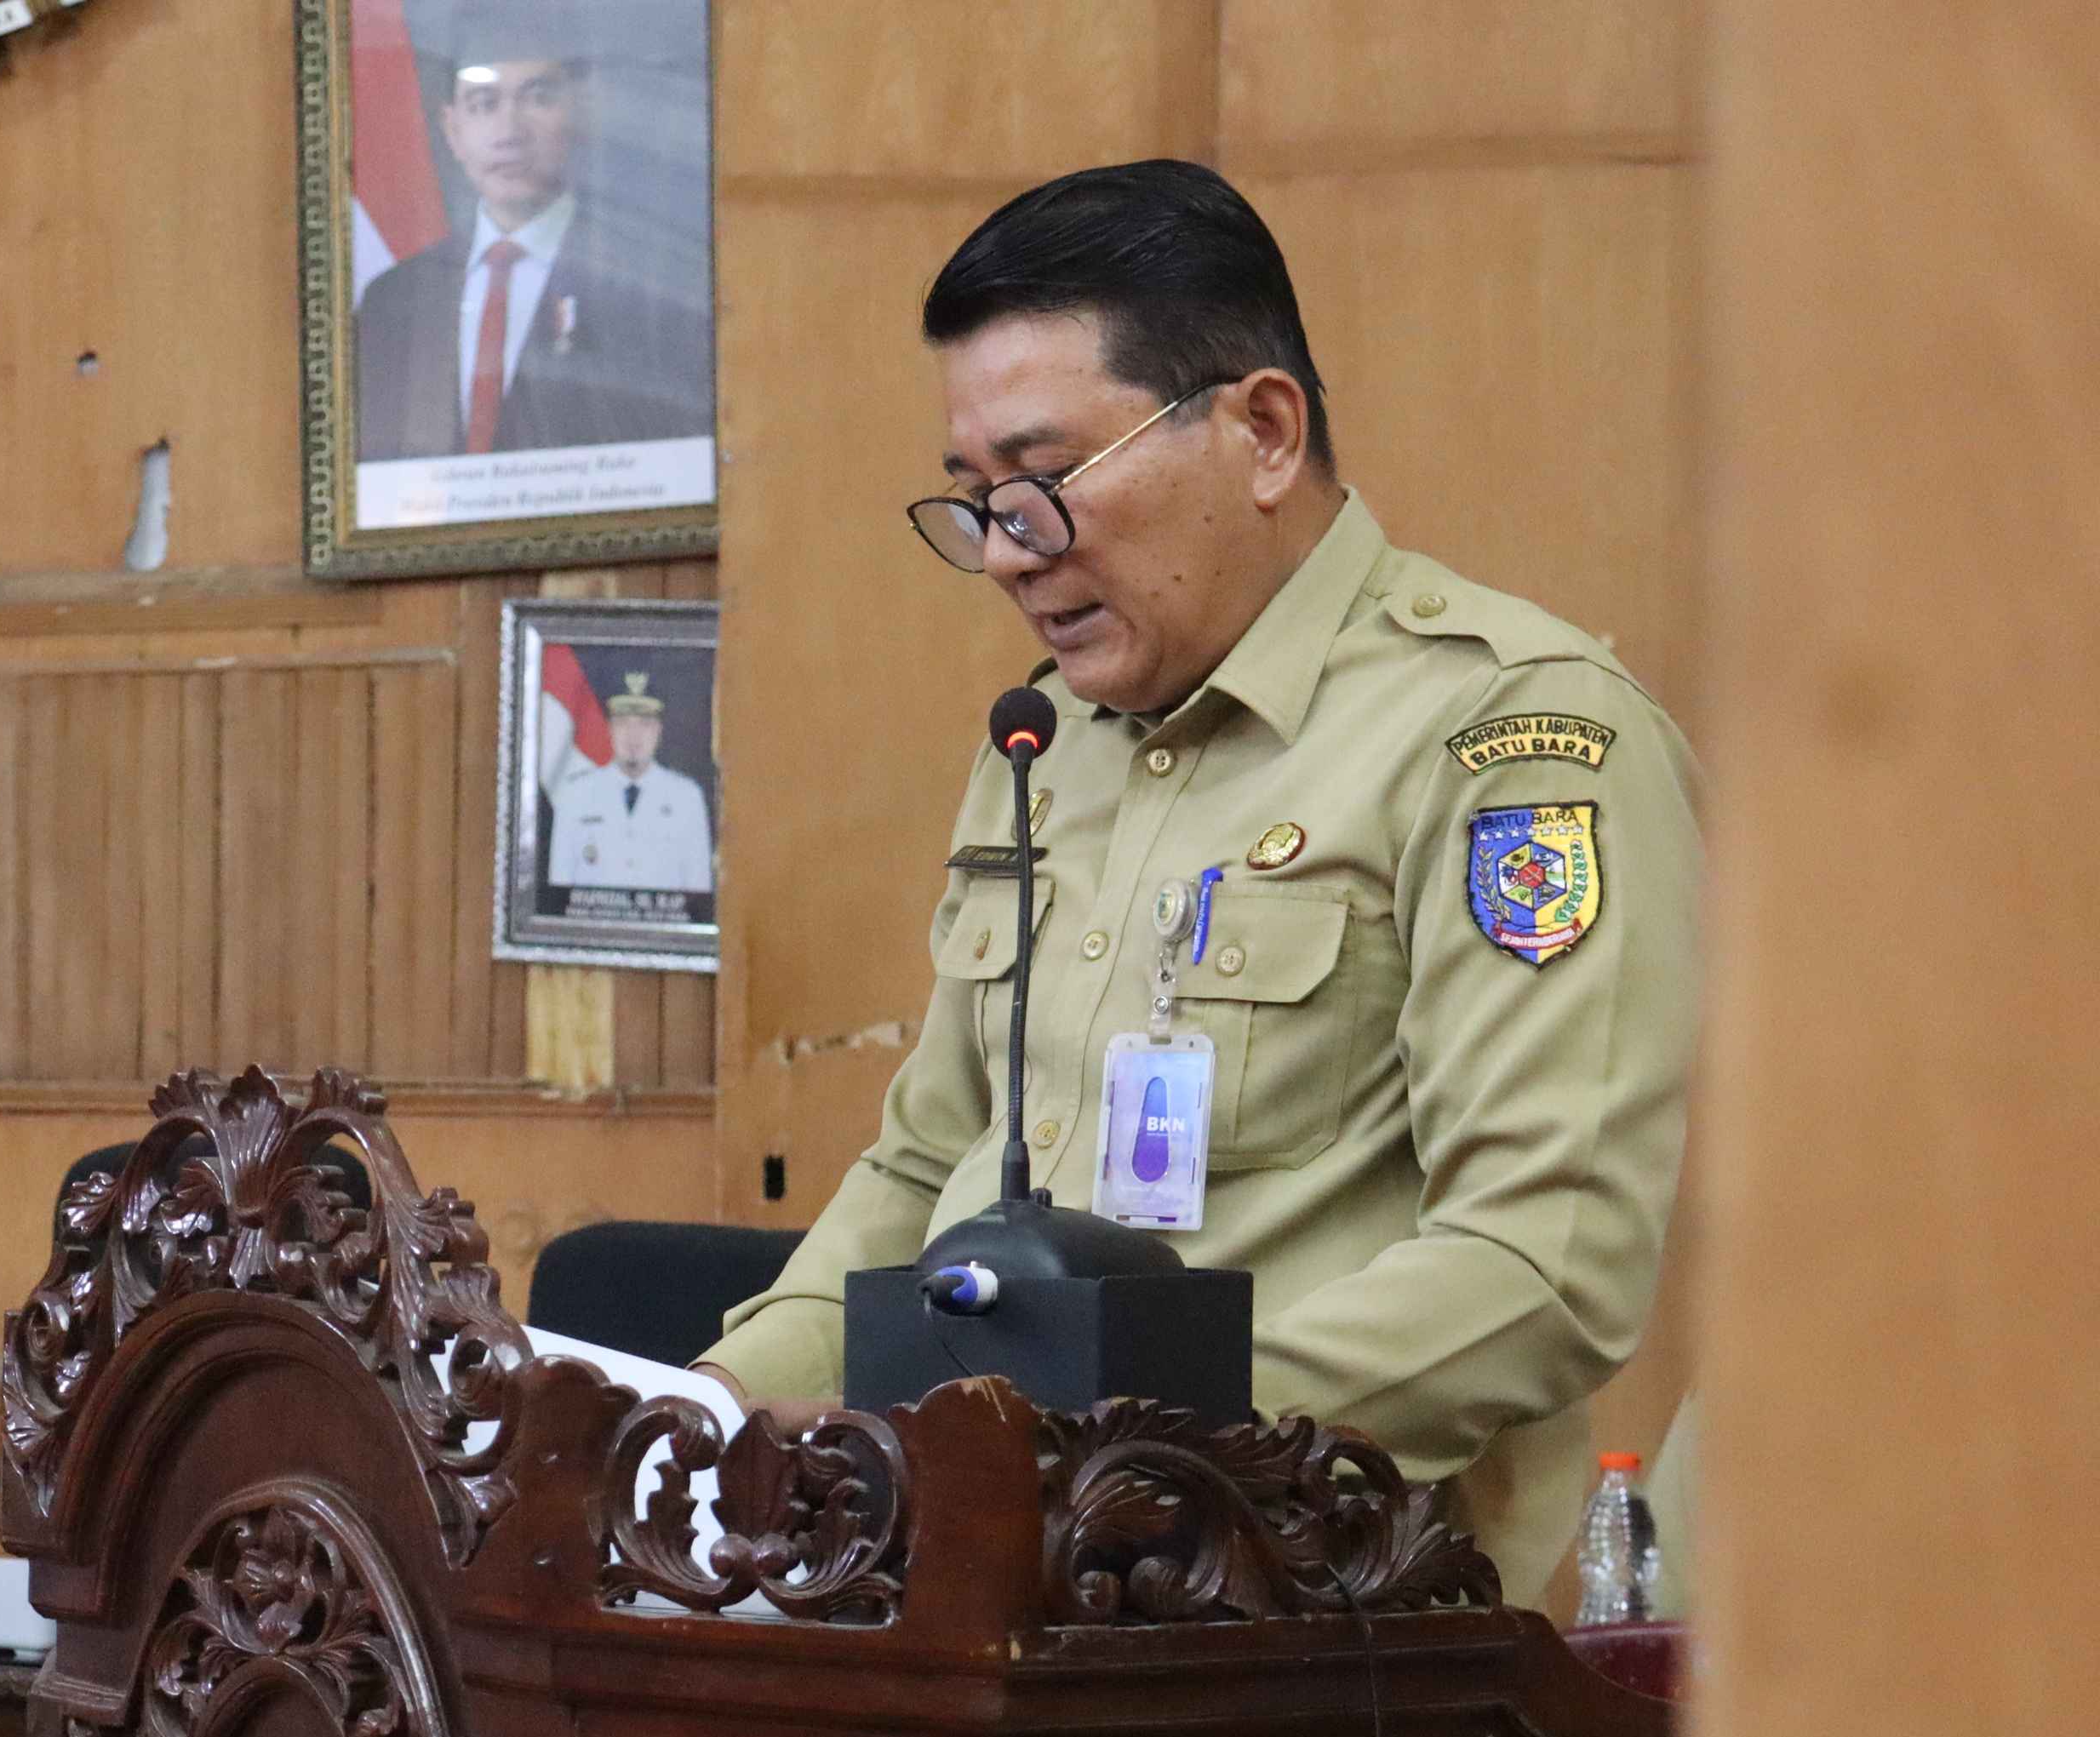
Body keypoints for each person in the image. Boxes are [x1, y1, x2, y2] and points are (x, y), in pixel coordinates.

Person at [696, 160, 1700, 1600]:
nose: (1000, 553)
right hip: (990, 1592)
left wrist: (1106, 1457)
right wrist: (703, 1413)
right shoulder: (1046, 741)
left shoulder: (1508, 738)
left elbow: (1537, 1265)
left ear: (1261, 431)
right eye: (970, 500)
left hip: (1334, 1643)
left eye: (1040, 483)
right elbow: (927, 1168)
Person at [352, 1, 710, 463]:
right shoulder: (393, 298)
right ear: (453, 130)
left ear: (581, 113)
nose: (509, 132)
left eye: (538, 97)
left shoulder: (650, 289)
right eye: (483, 104)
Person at [547, 671, 713, 895]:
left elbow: (698, 890)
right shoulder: (576, 795)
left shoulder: (687, 798)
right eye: (623, 723)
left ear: (658, 731)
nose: (633, 737)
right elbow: (560, 887)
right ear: (610, 729)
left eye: (645, 724)